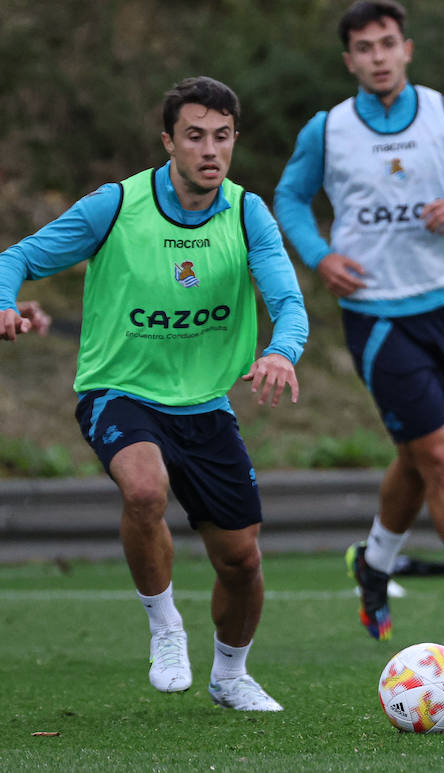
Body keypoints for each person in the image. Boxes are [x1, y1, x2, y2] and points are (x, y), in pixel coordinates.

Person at [0, 76, 308, 711]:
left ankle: (230, 673)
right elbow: (16, 259)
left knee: (242, 563)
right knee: (144, 489)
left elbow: (288, 303)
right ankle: (166, 626)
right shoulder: (115, 206)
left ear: (234, 141)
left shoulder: (249, 214)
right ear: (168, 141)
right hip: (118, 391)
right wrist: (4, 302)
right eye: (194, 136)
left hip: (205, 404)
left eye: (221, 137)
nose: (209, 150)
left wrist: (281, 350)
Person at [273, 0, 444, 647]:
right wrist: (318, 255)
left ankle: (373, 564)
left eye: (387, 43)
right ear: (349, 60)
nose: (377, 57)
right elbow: (288, 195)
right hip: (376, 315)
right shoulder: (328, 128)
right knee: (442, 460)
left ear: (407, 49)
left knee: (416, 456)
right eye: (363, 48)